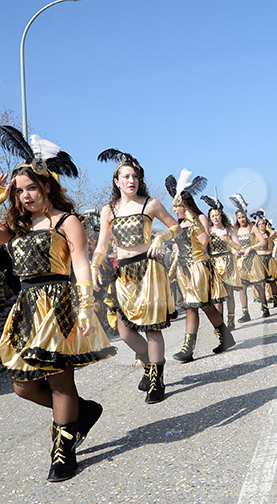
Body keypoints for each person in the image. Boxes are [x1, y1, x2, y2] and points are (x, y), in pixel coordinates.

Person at [0, 127, 116, 480]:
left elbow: (80, 263)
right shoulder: (14, 226)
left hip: (59, 303)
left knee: (59, 382)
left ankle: (64, 449)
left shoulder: (68, 221)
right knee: (23, 385)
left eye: (30, 188)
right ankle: (81, 412)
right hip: (27, 306)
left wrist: (84, 307)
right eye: (18, 191)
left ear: (47, 185)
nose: (24, 196)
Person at [93, 149, 177, 403]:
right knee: (125, 330)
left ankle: (157, 379)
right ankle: (148, 363)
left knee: (151, 328)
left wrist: (161, 237)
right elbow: (101, 245)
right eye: (126, 176)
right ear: (116, 182)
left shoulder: (150, 204)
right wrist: (95, 264)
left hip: (149, 270)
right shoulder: (108, 211)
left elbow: (176, 227)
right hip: (124, 273)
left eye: (135, 176)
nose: (132, 180)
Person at [164, 171, 234, 363]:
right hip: (184, 270)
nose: (174, 211)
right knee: (204, 306)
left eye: (176, 207)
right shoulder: (178, 224)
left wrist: (190, 217)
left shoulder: (200, 218)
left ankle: (188, 349)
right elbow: (178, 249)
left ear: (184, 205)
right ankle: (226, 337)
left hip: (199, 268)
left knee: (193, 307)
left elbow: (203, 241)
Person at [202, 198, 243, 331]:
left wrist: (228, 241)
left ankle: (231, 320)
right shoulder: (208, 231)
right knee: (218, 296)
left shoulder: (229, 229)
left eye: (217, 215)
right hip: (214, 263)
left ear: (221, 216)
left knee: (229, 294)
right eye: (213, 216)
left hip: (228, 261)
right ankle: (221, 322)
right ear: (210, 217)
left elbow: (238, 246)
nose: (215, 218)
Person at [231, 196, 272, 320]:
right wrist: (234, 251)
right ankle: (245, 313)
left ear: (246, 216)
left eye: (243, 217)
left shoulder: (252, 227)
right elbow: (230, 244)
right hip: (241, 261)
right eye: (239, 218)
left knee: (259, 285)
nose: (241, 219)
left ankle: (265, 307)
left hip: (253, 259)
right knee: (242, 287)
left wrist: (251, 248)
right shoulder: (234, 229)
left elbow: (262, 242)